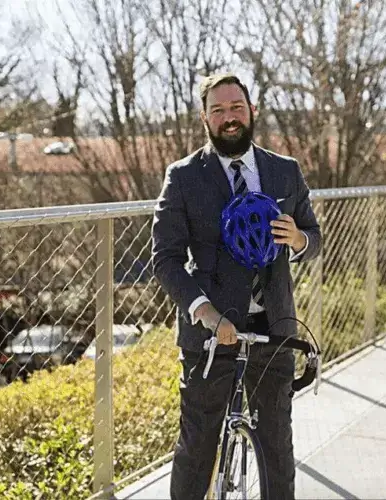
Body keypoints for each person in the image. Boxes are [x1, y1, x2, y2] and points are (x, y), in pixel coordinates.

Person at [152, 73, 322, 500]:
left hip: (273, 329)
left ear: (252, 111)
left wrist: (298, 240)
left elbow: (313, 236)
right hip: (212, 334)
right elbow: (165, 259)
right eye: (218, 110)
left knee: (276, 450)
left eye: (236, 108)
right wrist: (206, 313)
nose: (229, 118)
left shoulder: (285, 172)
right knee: (198, 449)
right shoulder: (184, 177)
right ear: (204, 119)